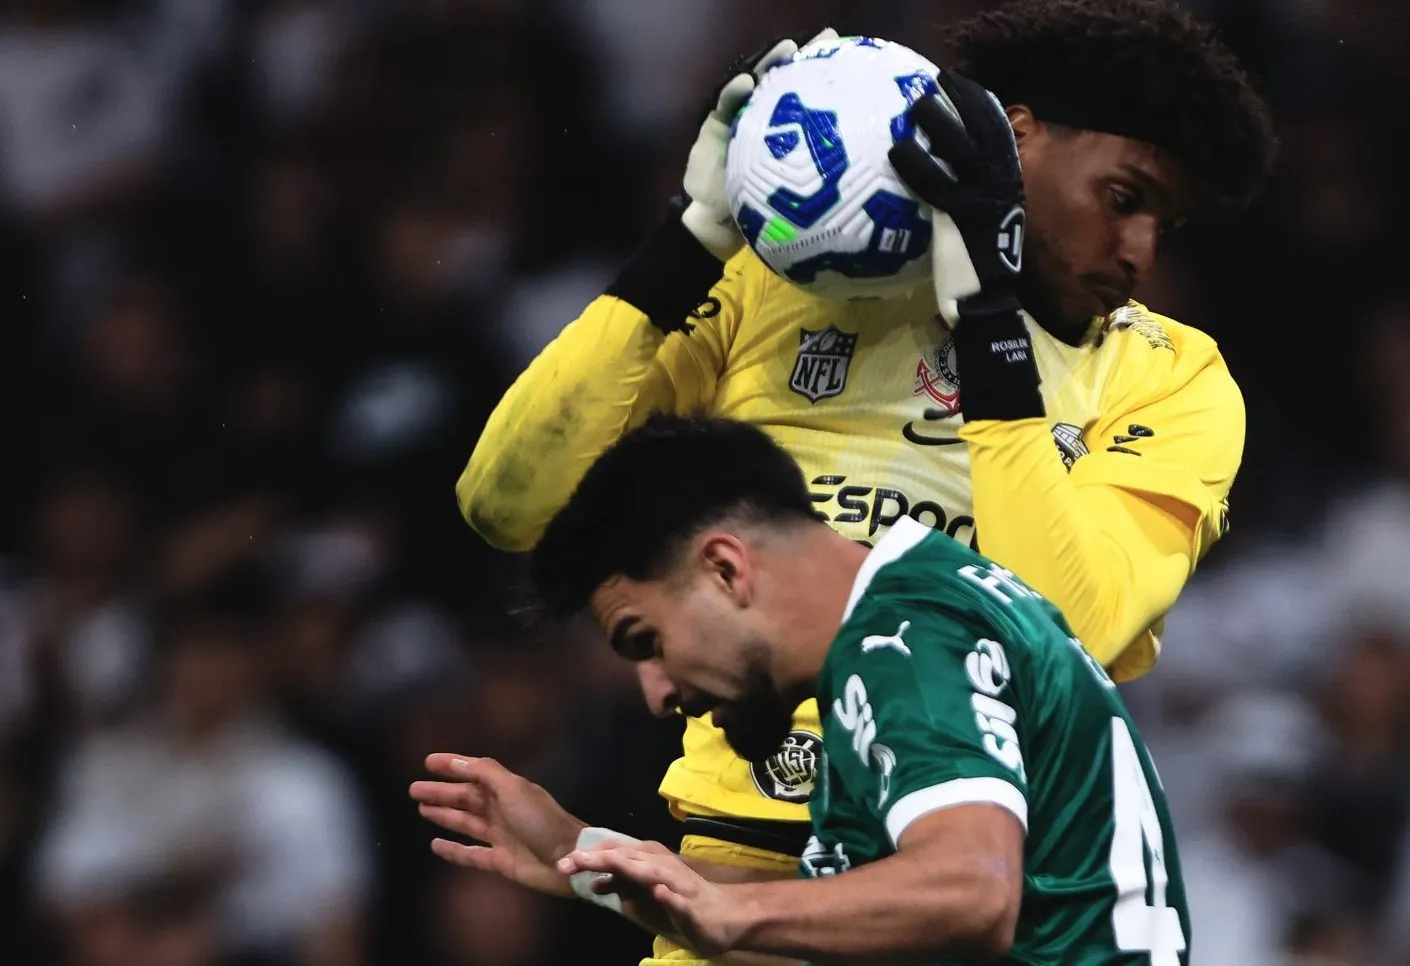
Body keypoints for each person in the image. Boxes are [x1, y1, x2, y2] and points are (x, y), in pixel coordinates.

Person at [455, 2, 1273, 962]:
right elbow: (511, 504)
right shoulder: (777, 283)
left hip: (965, 895)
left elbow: (1062, 630)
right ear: (1013, 139)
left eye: (1162, 224)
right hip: (726, 884)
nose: (1139, 254)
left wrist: (989, 323)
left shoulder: (1175, 379)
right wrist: (690, 241)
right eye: (1122, 198)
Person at [416, 414, 1191, 963]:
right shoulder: (914, 614)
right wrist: (573, 851)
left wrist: (733, 911)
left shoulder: (902, 643)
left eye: (644, 642)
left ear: (725, 569)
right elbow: (831, 925)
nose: (657, 693)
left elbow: (973, 891)